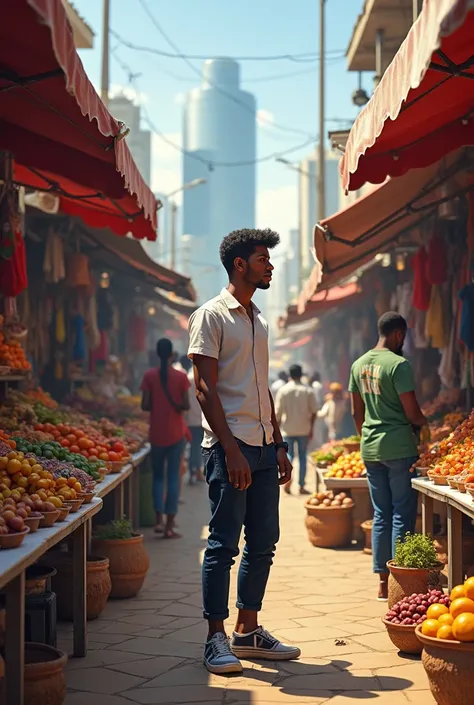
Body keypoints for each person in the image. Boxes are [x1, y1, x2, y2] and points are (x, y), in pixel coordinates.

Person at [188, 228, 300, 675]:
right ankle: (215, 637)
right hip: (228, 447)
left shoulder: (258, 319)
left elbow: (262, 388)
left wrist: (278, 442)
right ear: (240, 264)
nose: (269, 265)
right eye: (262, 259)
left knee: (265, 542)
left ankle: (248, 630)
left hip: (261, 446)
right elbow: (203, 388)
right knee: (221, 545)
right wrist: (231, 450)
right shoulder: (211, 316)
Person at [349, 311, 428, 600]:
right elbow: (412, 412)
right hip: (398, 448)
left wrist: (367, 437)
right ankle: (400, 582)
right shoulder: (398, 365)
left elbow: (356, 412)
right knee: (402, 513)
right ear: (398, 335)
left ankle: (383, 583)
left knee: (381, 513)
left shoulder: (358, 365)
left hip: (371, 448)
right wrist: (424, 424)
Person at [141, 338, 190, 539]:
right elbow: (186, 405)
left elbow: (144, 405)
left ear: (156, 353)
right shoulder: (181, 377)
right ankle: (170, 525)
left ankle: (158, 521)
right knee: (172, 478)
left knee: (158, 478)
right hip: (176, 434)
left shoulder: (149, 376)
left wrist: (157, 404)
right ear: (171, 354)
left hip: (157, 434)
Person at [275, 364, 317, 495]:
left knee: (289, 456)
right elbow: (314, 411)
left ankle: (287, 481)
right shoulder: (308, 390)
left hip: (287, 430)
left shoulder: (283, 390)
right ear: (301, 374)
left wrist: (276, 433)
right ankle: (301, 485)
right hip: (304, 429)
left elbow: (277, 414)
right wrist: (311, 428)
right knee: (303, 457)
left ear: (290, 375)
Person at [180, 356, 204, 484]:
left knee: (194, 447)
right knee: (198, 448)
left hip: (191, 420)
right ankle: (195, 473)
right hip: (200, 419)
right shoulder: (198, 379)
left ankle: (193, 473)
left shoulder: (188, 379)